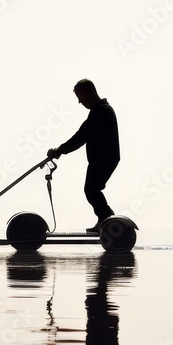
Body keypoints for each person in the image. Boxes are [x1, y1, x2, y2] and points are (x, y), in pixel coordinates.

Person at [47, 79, 120, 233]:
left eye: (80, 97)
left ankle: (107, 220)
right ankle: (105, 220)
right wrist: (61, 150)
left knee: (91, 190)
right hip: (101, 159)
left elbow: (82, 135)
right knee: (92, 190)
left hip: (103, 159)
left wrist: (60, 149)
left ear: (89, 93)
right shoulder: (100, 110)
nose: (79, 102)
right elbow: (83, 135)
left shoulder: (101, 111)